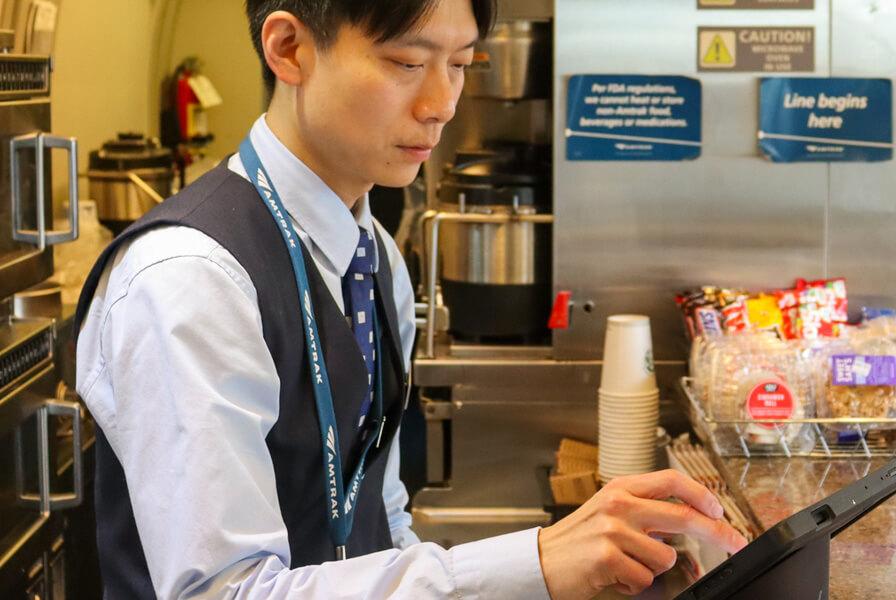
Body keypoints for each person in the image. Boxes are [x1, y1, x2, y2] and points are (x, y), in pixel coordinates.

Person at [74, 1, 748, 598]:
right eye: (406, 62)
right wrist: (536, 563)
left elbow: (381, 516)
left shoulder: (376, 257)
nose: (442, 102)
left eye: (460, 64)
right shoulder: (192, 277)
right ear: (289, 49)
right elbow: (227, 592)